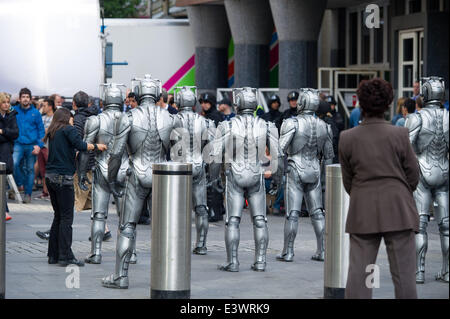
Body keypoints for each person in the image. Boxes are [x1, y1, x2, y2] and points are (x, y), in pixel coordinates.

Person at [339, 78, 420, 299]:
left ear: (360, 104)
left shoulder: (347, 138)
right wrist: (400, 192)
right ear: (388, 104)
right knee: (404, 277)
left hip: (363, 210)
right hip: (398, 209)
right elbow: (413, 174)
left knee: (361, 277)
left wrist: (362, 194)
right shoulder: (399, 134)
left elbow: (348, 180)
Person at [103, 74, 179, 289]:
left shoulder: (129, 117)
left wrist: (112, 179)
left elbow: (116, 153)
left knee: (127, 226)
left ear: (137, 94)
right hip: (163, 175)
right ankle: (169, 276)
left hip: (137, 171)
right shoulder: (171, 118)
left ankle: (121, 276)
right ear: (157, 94)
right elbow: (179, 153)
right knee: (165, 229)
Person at [212, 87, 281, 272]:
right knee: (260, 220)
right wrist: (277, 179)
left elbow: (215, 156)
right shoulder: (267, 125)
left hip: (234, 173)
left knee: (232, 220)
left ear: (237, 104)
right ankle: (260, 261)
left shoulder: (226, 125)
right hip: (256, 173)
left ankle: (233, 262)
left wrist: (213, 179)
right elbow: (278, 155)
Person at [277, 89, 334, 263]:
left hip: (296, 167)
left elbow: (280, 151)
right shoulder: (325, 126)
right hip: (315, 169)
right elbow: (329, 156)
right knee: (317, 212)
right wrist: (326, 182)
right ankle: (323, 250)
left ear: (301, 102)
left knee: (292, 213)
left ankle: (288, 251)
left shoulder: (291, 122)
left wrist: (279, 178)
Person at [44, 108, 107, 267]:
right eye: (71, 118)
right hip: (63, 178)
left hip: (50, 177)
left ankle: (53, 255)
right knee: (66, 218)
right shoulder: (68, 129)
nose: (73, 120)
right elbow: (81, 145)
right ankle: (65, 256)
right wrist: (96, 146)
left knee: (57, 216)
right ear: (67, 118)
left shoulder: (53, 131)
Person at [405, 76, 449, 284]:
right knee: (446, 226)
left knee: (420, 225)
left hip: (422, 171)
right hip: (444, 171)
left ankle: (419, 271)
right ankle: (447, 271)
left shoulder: (416, 118)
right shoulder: (448, 116)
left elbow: (405, 148)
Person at [78, 84, 126, 264]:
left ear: (104, 101)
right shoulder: (129, 118)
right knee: (126, 216)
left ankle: (96, 252)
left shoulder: (95, 120)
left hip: (101, 168)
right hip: (123, 169)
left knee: (99, 214)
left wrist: (82, 173)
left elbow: (85, 150)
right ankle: (131, 252)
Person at [172, 86, 216, 255]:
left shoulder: (173, 120)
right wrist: (213, 175)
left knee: (177, 208)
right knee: (200, 207)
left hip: (178, 166)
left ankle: (177, 243)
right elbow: (211, 151)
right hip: (198, 165)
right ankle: (202, 243)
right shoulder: (205, 122)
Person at [12, 88, 45, 203]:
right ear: (19, 99)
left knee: (30, 170)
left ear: (30, 99)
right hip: (18, 143)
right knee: (14, 163)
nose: (25, 99)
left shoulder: (36, 113)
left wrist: (39, 145)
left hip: (32, 145)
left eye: (27, 97)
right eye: (23, 97)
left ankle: (28, 194)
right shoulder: (14, 110)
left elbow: (41, 131)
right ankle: (20, 184)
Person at [0, 92, 19, 221]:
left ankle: (4, 211)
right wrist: (7, 136)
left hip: (5, 153)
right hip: (4, 150)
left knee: (2, 183)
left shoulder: (12, 115)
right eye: (4, 102)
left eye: (8, 102)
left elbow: (15, 133)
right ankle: (4, 210)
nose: (7, 104)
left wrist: (2, 131)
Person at [37, 98, 56, 199]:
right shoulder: (41, 117)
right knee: (43, 170)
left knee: (51, 171)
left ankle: (52, 192)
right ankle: (45, 192)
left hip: (50, 147)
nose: (42, 108)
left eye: (44, 106)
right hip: (41, 146)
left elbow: (48, 130)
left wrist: (44, 130)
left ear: (50, 106)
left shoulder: (55, 118)